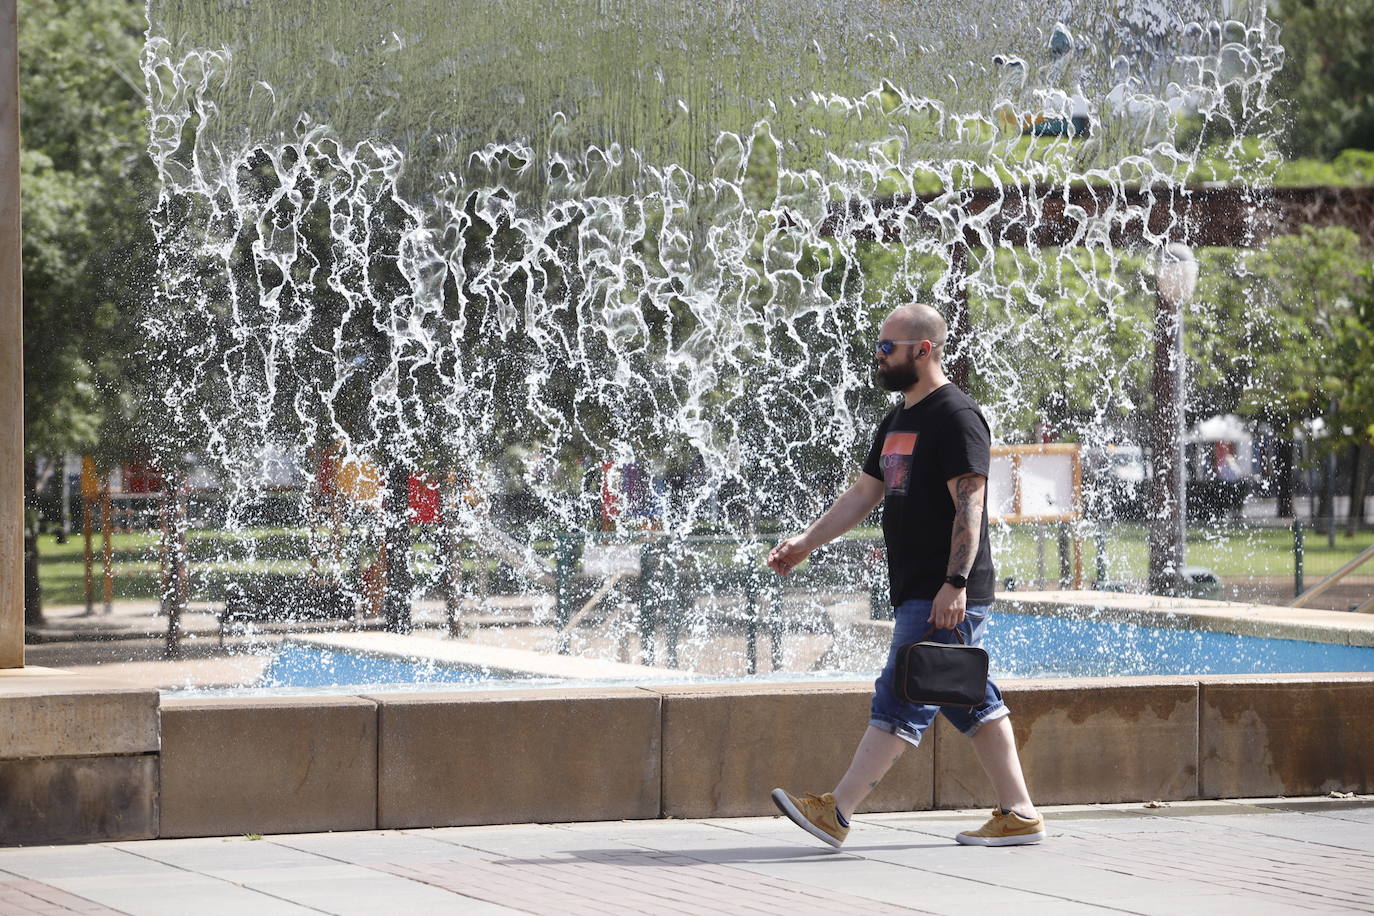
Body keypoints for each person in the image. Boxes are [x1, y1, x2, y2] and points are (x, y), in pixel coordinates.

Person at [767, 303, 1043, 849]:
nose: (878, 356)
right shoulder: (897, 420)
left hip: (943, 588)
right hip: (920, 585)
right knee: (971, 701)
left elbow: (971, 506)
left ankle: (836, 811)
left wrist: (956, 583)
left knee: (900, 691)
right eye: (878, 346)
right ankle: (1019, 813)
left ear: (924, 350)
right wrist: (805, 542)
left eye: (887, 347)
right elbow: (864, 494)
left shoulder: (955, 416)